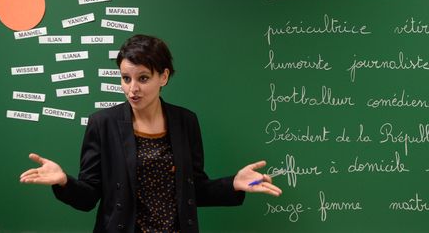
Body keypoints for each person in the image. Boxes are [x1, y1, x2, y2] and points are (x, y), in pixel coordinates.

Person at [20, 34, 282, 233]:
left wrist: (233, 183)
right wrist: (63, 181)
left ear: (163, 76)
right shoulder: (103, 123)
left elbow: (194, 190)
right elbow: (89, 196)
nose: (132, 88)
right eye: (125, 78)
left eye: (143, 78)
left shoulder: (185, 122)